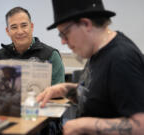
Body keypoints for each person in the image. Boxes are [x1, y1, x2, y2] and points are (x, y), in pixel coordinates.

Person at [37, 0, 144, 135]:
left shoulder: (122, 58)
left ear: (86, 24)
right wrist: (65, 89)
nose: (63, 41)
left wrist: (84, 125)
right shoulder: (97, 52)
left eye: (64, 33)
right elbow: (97, 96)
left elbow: (141, 126)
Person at [0, 6, 65, 85]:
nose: (20, 31)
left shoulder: (51, 55)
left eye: (24, 25)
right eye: (14, 27)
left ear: (31, 27)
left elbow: (59, 95)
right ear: (7, 31)